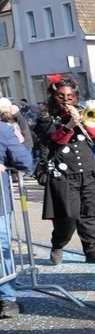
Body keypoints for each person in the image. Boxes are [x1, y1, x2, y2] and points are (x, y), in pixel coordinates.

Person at [33, 76, 95, 265]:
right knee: (69, 216)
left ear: (75, 97)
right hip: (64, 174)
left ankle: (92, 251)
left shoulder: (83, 113)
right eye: (61, 96)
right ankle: (58, 245)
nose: (66, 100)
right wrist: (69, 126)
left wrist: (84, 122)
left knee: (89, 214)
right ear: (53, 97)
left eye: (70, 96)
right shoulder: (47, 118)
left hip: (87, 172)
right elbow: (52, 141)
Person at [0, 120, 33, 318]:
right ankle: (6, 298)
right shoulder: (2, 130)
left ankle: (6, 298)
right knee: (1, 247)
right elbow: (25, 162)